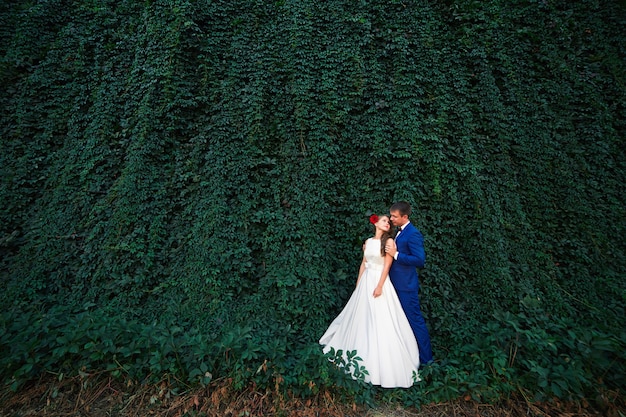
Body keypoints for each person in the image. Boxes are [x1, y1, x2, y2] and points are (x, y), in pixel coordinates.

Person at [319, 214, 420, 388]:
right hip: (366, 281)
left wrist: (380, 286)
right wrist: (359, 285)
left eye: (389, 222)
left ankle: (383, 365)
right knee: (361, 317)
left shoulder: (389, 242)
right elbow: (364, 263)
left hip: (379, 281)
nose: (387, 223)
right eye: (384, 221)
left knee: (380, 319)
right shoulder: (368, 241)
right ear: (376, 223)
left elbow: (387, 265)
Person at [384, 201, 433, 365]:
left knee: (415, 321)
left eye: (395, 216)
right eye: (391, 215)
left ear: (405, 217)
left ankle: (427, 361)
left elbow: (419, 260)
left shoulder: (413, 234)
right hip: (395, 285)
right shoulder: (399, 232)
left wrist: (396, 254)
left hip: (406, 287)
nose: (391, 219)